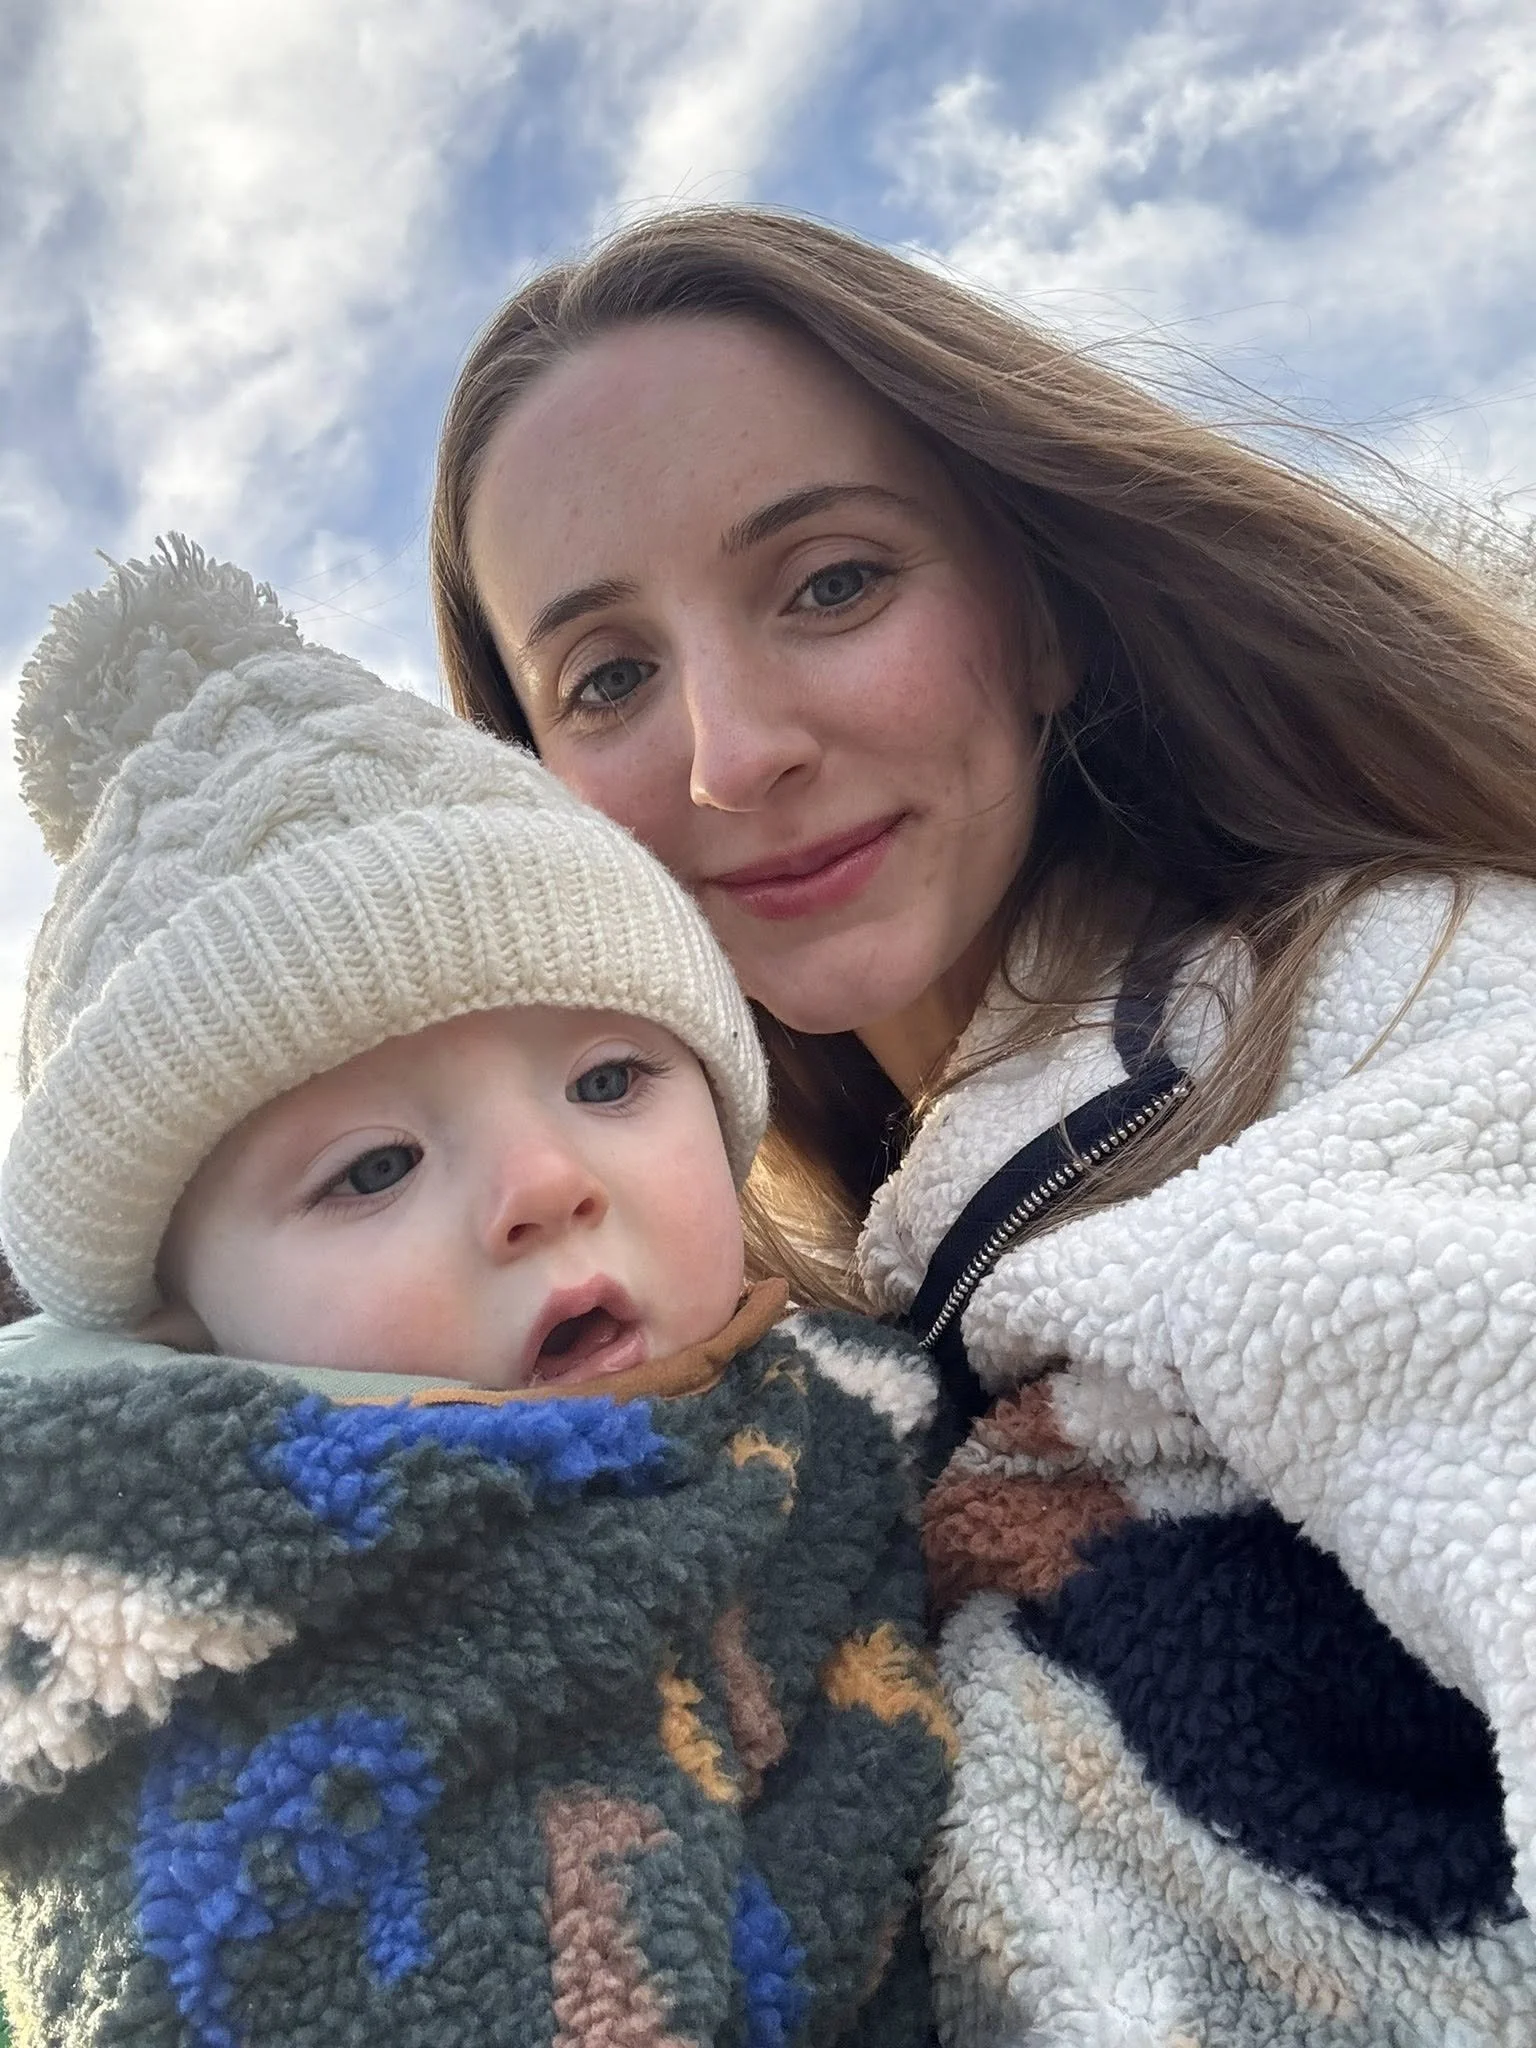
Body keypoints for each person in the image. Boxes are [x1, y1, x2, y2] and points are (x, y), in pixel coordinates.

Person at [426, 207, 1536, 2042]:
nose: (730, 753)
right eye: (607, 678)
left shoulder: (1394, 1004)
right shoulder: (801, 1310)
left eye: (832, 582)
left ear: (1041, 623)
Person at [0, 539, 952, 2048]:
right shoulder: (148, 1618)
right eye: (374, 1168)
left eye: (609, 1080)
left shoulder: (859, 1404)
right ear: (177, 1325)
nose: (544, 1184)